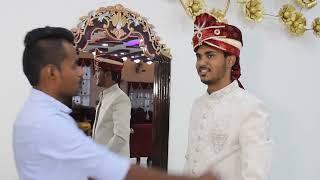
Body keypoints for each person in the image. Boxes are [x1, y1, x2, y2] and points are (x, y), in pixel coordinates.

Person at [13, 26, 217, 180]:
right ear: (51, 72)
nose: (81, 72)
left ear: (109, 74)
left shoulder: (40, 113)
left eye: (98, 71)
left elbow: (119, 137)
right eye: (74, 64)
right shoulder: (48, 122)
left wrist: (98, 159)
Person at [184, 13, 272, 180]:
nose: (201, 63)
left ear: (230, 60)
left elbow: (256, 174)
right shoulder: (198, 104)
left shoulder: (251, 107)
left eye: (210, 55)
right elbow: (190, 161)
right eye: (199, 56)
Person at [92, 53, 131, 157]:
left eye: (98, 71)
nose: (95, 75)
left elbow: (121, 136)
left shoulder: (121, 98)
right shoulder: (105, 95)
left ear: (107, 74)